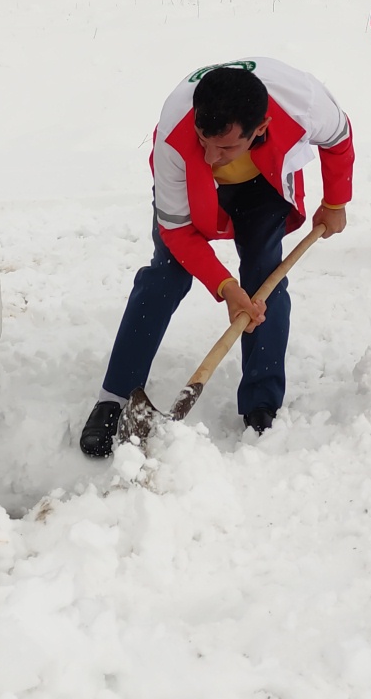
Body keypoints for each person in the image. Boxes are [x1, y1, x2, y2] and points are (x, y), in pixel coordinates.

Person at [79, 59, 353, 457]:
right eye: (204, 140)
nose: (210, 155)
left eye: (224, 146)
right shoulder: (176, 136)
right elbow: (178, 233)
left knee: (264, 279)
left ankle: (262, 402)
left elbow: (340, 138)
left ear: (260, 128)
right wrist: (225, 288)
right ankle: (113, 398)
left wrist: (335, 201)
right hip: (192, 187)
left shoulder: (304, 103)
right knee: (166, 275)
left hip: (263, 183)